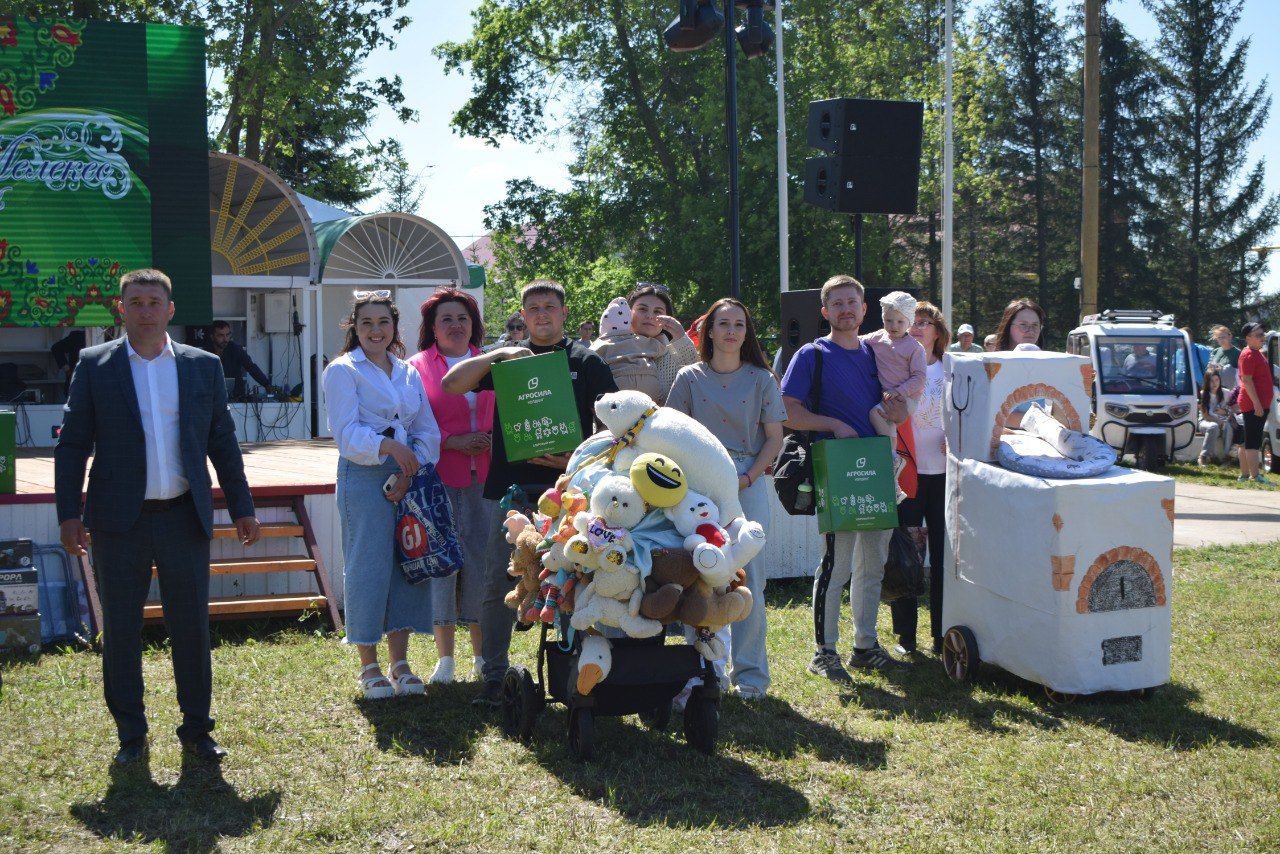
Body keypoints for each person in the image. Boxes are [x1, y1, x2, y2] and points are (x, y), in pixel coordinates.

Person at [55, 268, 261, 765]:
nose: (145, 310)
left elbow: (222, 442)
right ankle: (131, 735)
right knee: (122, 630)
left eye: (154, 302)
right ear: (120, 309)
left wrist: (242, 506)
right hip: (115, 522)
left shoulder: (202, 366)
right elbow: (74, 444)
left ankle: (197, 729)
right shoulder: (95, 364)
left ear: (170, 310)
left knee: (191, 627)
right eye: (136, 302)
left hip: (182, 517)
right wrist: (68, 514)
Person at [442, 279, 618, 707]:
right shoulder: (507, 360)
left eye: (550, 307)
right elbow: (451, 384)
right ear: (522, 315)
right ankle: (493, 677)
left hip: (569, 492)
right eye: (533, 308)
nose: (542, 314)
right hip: (508, 491)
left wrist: (572, 463)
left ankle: (584, 666)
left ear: (563, 312)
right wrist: (498, 354)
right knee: (496, 582)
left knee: (578, 580)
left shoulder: (586, 361)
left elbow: (616, 427)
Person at [781, 274, 910, 681]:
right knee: (836, 565)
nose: (845, 309)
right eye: (836, 303)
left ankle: (865, 646)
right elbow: (788, 411)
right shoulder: (812, 354)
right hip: (836, 471)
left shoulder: (877, 355)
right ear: (825, 312)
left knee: (873, 565)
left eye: (851, 302)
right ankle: (824, 652)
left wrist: (898, 413)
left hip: (876, 471)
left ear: (864, 309)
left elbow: (899, 411)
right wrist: (834, 424)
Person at [665, 298, 786, 701]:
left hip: (748, 484)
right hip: (698, 489)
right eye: (723, 324)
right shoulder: (688, 378)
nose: (732, 331)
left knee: (751, 579)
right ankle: (702, 671)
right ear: (709, 331)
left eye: (739, 324)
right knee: (697, 575)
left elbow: (774, 438)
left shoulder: (762, 379)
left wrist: (749, 475)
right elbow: (671, 436)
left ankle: (750, 676)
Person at [322, 292, 442, 700]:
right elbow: (346, 433)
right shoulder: (342, 370)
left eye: (383, 322)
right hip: (364, 473)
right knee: (368, 565)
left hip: (408, 473)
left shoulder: (408, 372)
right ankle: (368, 665)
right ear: (354, 327)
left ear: (394, 326)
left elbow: (427, 429)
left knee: (406, 564)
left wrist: (413, 466)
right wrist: (390, 449)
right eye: (367, 323)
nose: (375, 330)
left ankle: (401, 663)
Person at [408, 289, 492, 684]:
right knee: (442, 564)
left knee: (483, 563)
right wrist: (451, 441)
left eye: (463, 317)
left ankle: (480, 656)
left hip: (488, 479)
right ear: (433, 327)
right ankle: (445, 660)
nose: (456, 325)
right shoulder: (416, 368)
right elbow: (411, 423)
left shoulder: (493, 362)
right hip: (439, 478)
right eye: (447, 319)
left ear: (473, 323)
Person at [888, 301, 950, 657]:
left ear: (938, 332)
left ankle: (942, 635)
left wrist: (957, 435)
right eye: (913, 322)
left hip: (944, 479)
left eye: (925, 322)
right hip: (907, 478)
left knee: (942, 558)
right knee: (906, 557)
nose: (917, 327)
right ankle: (906, 638)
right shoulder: (897, 369)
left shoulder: (952, 369)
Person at [862, 291, 926, 441]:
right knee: (881, 418)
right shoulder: (878, 337)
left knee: (876, 414)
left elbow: (920, 377)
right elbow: (856, 341)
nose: (893, 326)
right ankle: (892, 456)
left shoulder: (915, 348)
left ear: (909, 322)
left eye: (900, 322)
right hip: (888, 395)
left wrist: (899, 391)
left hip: (907, 398)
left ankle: (892, 455)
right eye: (889, 320)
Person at [628, 283, 698, 404]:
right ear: (627, 312)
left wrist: (681, 337)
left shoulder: (676, 355)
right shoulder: (610, 347)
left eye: (657, 311)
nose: (650, 316)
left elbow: (698, 381)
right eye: (642, 309)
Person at [1234, 322, 1274, 485]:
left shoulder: (1255, 353)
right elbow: (1247, 381)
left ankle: (1244, 475)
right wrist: (1257, 404)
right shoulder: (1249, 354)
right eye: (1258, 335)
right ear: (1248, 337)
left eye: (1262, 334)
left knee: (1246, 440)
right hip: (1253, 404)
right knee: (1253, 441)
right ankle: (1254, 476)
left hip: (1255, 404)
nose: (1262, 337)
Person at [207, 320, 271, 400]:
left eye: (227, 335)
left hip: (236, 397)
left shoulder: (236, 349)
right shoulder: (205, 352)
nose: (225, 339)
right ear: (212, 337)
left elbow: (251, 367)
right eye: (221, 336)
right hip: (211, 398)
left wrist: (266, 384)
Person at [1198, 365, 1235, 466]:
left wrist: (1225, 412)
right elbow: (1205, 416)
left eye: (1217, 380)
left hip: (1223, 421)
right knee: (1213, 427)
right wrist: (1219, 422)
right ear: (1207, 382)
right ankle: (1204, 456)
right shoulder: (1203, 394)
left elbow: (1231, 409)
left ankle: (1227, 457)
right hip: (1205, 422)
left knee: (1228, 426)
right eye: (1211, 381)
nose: (1215, 383)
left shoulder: (1226, 393)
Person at [51, 329, 85, 396]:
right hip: (77, 382)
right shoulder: (77, 337)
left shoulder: (109, 340)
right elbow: (56, 348)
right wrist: (67, 369)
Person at [1210, 325, 1241, 390]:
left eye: (1223, 337)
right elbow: (1209, 370)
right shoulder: (1215, 351)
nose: (1221, 340)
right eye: (1219, 338)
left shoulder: (1238, 353)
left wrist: (1223, 369)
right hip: (1215, 390)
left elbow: (1241, 374)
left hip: (1230, 391)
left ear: (1230, 336)